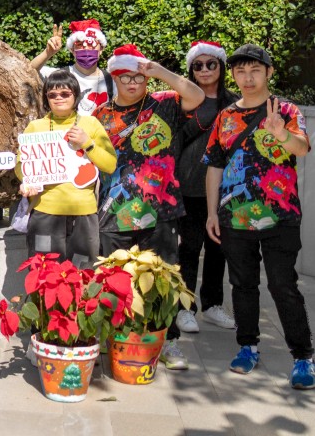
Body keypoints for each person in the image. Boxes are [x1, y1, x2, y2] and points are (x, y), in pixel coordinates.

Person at [203, 44, 314, 389]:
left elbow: (301, 148)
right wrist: (211, 212)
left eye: (255, 70)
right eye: (240, 71)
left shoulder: (286, 109)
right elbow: (215, 167)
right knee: (242, 285)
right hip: (234, 218)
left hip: (280, 217)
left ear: (269, 72)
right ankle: (247, 346)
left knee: (284, 286)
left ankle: (303, 357)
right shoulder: (225, 116)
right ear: (233, 75)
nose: (247, 78)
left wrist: (280, 132)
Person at [93, 43, 204, 371]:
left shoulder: (165, 104)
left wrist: (160, 72)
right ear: (114, 77)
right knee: (114, 279)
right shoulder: (99, 116)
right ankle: (115, 336)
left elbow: (197, 97)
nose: (132, 83)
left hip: (161, 210)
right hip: (112, 212)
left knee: (163, 278)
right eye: (125, 77)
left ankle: (168, 341)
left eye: (138, 77)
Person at [17, 70, 116, 267]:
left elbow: (110, 165)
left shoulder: (90, 123)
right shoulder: (36, 127)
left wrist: (87, 143)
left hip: (84, 213)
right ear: (46, 99)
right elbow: (21, 165)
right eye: (52, 95)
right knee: (43, 274)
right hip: (45, 212)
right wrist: (27, 183)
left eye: (65, 93)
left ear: (76, 95)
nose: (58, 98)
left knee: (83, 273)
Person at [174, 41, 237, 334]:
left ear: (221, 67)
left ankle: (213, 304)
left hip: (226, 188)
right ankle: (184, 308)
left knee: (218, 249)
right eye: (197, 65)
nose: (205, 70)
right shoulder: (182, 101)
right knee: (189, 249)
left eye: (211, 64)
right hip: (188, 186)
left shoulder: (235, 102)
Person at [30, 19, 114, 116]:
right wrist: (48, 53)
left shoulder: (112, 81)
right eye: (79, 44)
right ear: (72, 50)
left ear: (101, 49)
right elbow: (28, 70)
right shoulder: (60, 76)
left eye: (92, 44)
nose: (86, 48)